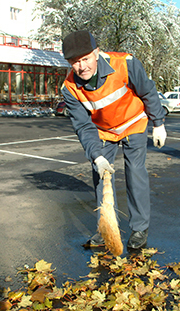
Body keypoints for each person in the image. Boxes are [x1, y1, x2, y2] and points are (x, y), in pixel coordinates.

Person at [61, 30, 167, 250]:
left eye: (86, 59)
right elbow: (83, 125)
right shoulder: (70, 88)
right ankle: (106, 227)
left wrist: (159, 124)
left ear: (97, 53)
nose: (82, 67)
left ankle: (139, 228)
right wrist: (96, 156)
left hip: (133, 123)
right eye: (75, 62)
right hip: (103, 132)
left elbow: (147, 91)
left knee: (135, 173)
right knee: (101, 177)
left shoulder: (125, 64)